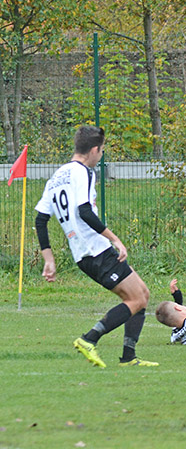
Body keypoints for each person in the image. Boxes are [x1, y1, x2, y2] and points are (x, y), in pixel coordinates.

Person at [34, 126, 158, 368]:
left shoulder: (57, 176)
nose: (101, 156)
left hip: (84, 254)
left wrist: (48, 259)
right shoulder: (83, 172)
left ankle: (128, 357)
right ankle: (89, 339)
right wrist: (115, 238)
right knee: (137, 299)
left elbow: (40, 220)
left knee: (141, 294)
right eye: (101, 151)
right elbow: (84, 211)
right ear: (93, 150)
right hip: (96, 250)